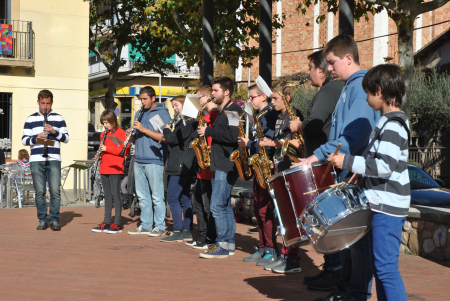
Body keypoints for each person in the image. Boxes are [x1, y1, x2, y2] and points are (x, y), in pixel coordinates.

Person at [299, 35, 380, 301]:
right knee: (348, 243)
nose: (329, 67)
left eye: (332, 62)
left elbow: (354, 134)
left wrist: (318, 156)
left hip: (357, 174)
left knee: (357, 244)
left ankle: (355, 295)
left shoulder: (359, 87)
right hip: (348, 172)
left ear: (348, 58)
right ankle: (345, 291)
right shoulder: (348, 86)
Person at [328, 64, 410, 301]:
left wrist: (347, 161)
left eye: (368, 93)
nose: (365, 99)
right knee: (381, 268)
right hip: (382, 204)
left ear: (380, 91)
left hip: (388, 208)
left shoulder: (393, 125)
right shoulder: (386, 123)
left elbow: (384, 167)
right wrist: (362, 172)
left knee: (385, 269)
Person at [289, 50, 346, 290]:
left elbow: (313, 126)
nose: (308, 72)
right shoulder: (334, 90)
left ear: (320, 70)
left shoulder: (329, 89)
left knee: (325, 221)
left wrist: (299, 124)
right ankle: (332, 268)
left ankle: (334, 270)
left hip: (323, 165)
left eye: (311, 67)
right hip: (324, 162)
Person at [253, 81, 303, 273]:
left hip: (290, 170)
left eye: (275, 98)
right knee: (281, 216)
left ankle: (292, 259)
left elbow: (296, 143)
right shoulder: (279, 116)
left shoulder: (294, 114)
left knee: (289, 217)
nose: (272, 102)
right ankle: (284, 255)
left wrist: (273, 145)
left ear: (287, 98)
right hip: (279, 167)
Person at [197, 76, 243, 259]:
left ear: (226, 92)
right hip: (220, 163)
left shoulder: (233, 111)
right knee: (223, 205)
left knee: (216, 206)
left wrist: (208, 131)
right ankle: (228, 244)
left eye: (215, 90)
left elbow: (232, 136)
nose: (212, 94)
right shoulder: (224, 110)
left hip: (226, 164)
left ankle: (222, 244)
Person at [237, 83, 279, 267]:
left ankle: (270, 249)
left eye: (252, 97)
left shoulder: (270, 115)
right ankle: (262, 247)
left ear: (263, 97)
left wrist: (250, 145)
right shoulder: (259, 116)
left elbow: (266, 141)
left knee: (265, 211)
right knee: (258, 210)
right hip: (258, 166)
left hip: (267, 167)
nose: (250, 101)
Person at [22, 89, 70, 231]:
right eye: (43, 103)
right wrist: (36, 138)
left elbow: (66, 138)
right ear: (38, 102)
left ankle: (54, 219)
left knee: (55, 191)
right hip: (37, 159)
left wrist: (54, 131)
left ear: (51, 103)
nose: (45, 107)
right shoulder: (30, 119)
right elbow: (24, 140)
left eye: (48, 103)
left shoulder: (59, 118)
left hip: (54, 158)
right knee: (40, 191)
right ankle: (43, 219)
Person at [126, 86, 171, 236]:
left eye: (145, 99)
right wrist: (131, 136)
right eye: (141, 99)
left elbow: (164, 138)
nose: (142, 102)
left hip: (154, 159)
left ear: (153, 98)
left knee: (157, 196)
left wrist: (144, 129)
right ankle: (145, 224)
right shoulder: (139, 113)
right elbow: (137, 137)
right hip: (138, 158)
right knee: (142, 196)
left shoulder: (161, 113)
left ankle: (159, 225)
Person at [160, 96, 197, 242]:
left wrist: (166, 130)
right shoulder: (186, 123)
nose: (174, 109)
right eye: (173, 106)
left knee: (172, 197)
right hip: (184, 164)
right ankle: (186, 229)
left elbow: (174, 139)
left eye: (176, 105)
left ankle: (177, 229)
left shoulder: (187, 124)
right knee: (184, 197)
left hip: (180, 165)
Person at [186, 85, 219, 249]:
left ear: (207, 98)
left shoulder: (215, 116)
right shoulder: (204, 116)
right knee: (197, 203)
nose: (198, 102)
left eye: (199, 98)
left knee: (207, 207)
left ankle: (209, 238)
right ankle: (201, 237)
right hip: (201, 166)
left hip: (209, 167)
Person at [91, 110, 129, 234]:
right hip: (104, 167)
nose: (105, 125)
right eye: (103, 123)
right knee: (107, 196)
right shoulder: (103, 134)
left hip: (116, 167)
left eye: (107, 123)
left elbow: (125, 151)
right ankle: (107, 221)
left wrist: (107, 148)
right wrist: (99, 155)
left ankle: (117, 223)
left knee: (115, 194)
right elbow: (104, 151)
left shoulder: (121, 133)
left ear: (113, 121)